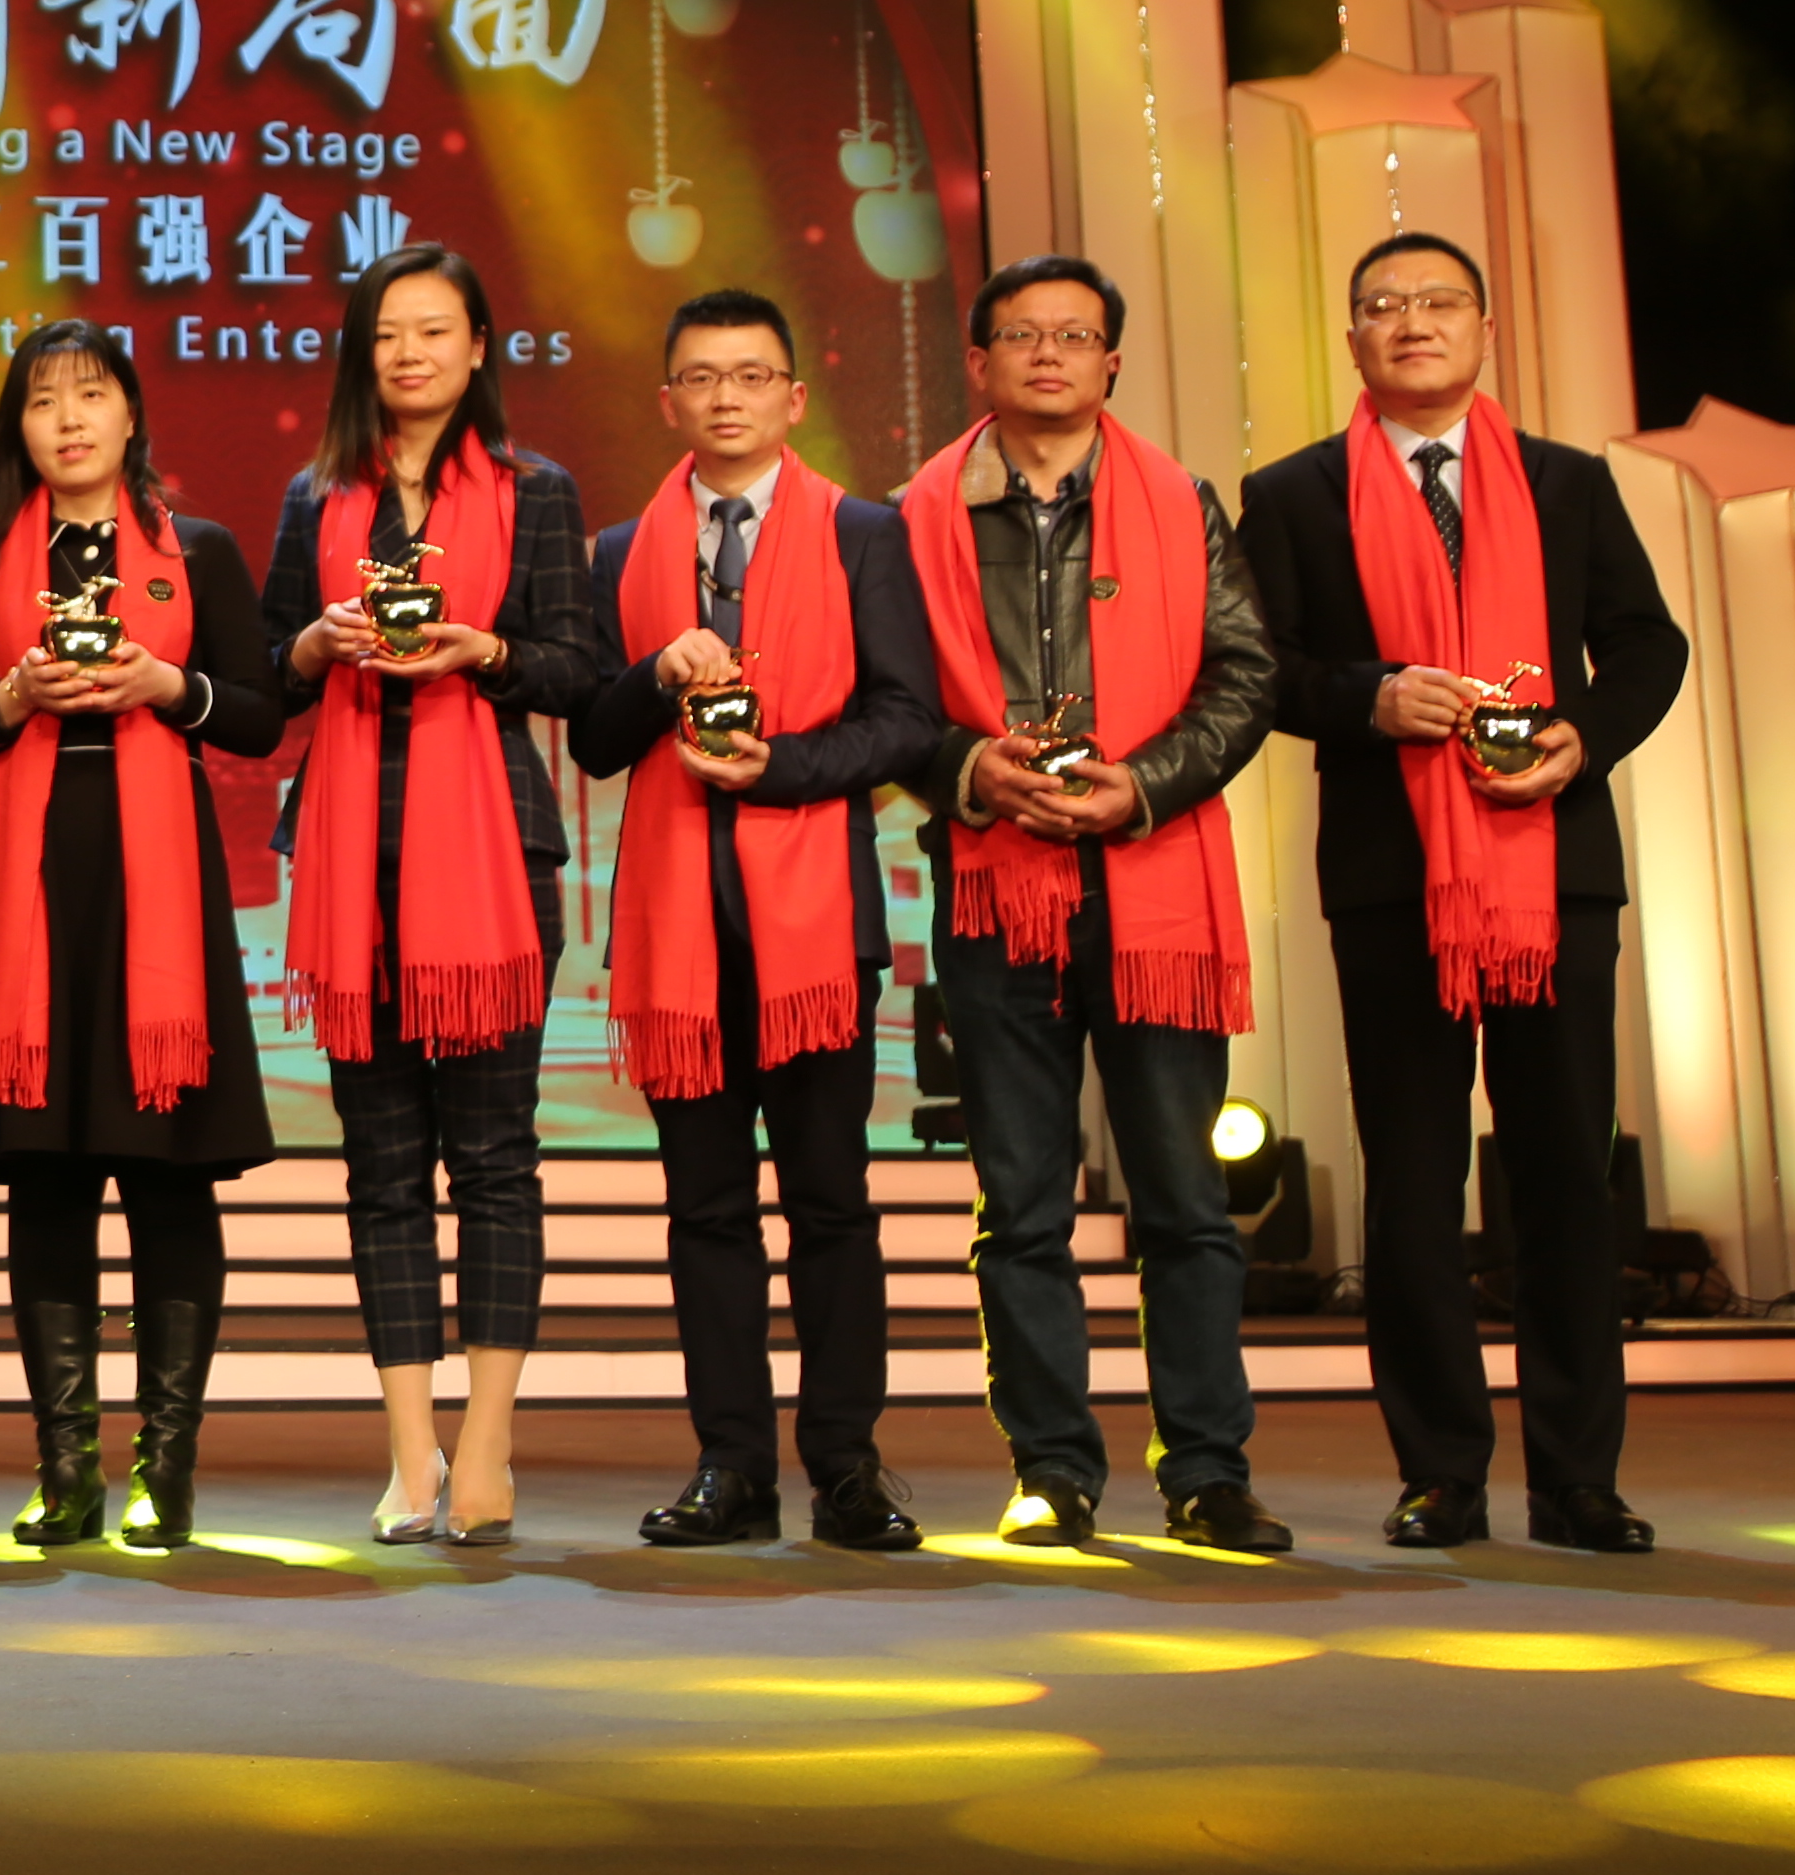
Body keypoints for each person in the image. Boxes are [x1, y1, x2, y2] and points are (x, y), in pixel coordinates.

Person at [1233, 232, 1690, 1554]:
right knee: (1415, 1185)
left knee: (1567, 1178)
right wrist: (1367, 698)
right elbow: (1256, 669)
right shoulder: (1295, 493)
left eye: (1440, 302)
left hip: (1554, 869)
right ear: (1354, 341)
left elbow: (1648, 644)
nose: (1413, 322)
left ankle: (1578, 1480)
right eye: (1385, 306)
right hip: (1394, 878)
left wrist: (1582, 740)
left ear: (1485, 329)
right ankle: (1440, 1472)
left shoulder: (1566, 482)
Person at [901, 257, 1289, 1555]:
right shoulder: (913, 517)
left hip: (1151, 881)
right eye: (1023, 335)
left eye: (1075, 335)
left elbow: (1246, 673)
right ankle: (1052, 1470)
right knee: (1021, 1209)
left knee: (1185, 1204)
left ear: (1112, 361)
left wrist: (1146, 786)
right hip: (996, 894)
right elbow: (883, 698)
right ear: (980, 362)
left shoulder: (1184, 502)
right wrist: (969, 767)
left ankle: (1209, 1473)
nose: (1050, 354)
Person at [580, 287, 945, 1553]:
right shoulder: (621, 553)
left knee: (832, 1203)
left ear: (793, 397)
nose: (725, 396)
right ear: (667, 401)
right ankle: (730, 1467)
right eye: (701, 377)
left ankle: (847, 1466)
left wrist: (779, 768)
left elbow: (909, 721)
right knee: (706, 1213)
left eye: (750, 376)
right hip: (677, 927)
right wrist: (654, 673)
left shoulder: (863, 533)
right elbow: (594, 738)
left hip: (816, 925)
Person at [259, 244, 611, 1547]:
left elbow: (579, 670)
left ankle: (487, 1445)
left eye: (432, 330)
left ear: (477, 349)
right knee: (383, 1169)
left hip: (495, 856)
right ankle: (411, 1454)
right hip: (352, 855)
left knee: (496, 1159)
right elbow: (269, 672)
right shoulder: (318, 496)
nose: (408, 354)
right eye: (386, 334)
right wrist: (312, 644)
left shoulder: (537, 491)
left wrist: (488, 650)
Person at [0, 318, 284, 1549]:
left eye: (91, 395)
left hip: (159, 893)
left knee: (168, 1177)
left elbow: (258, 715)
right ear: (18, 428)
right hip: (29, 890)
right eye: (43, 400)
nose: (69, 419)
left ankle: (165, 1471)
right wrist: (8, 699)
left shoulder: (198, 551)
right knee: (48, 1180)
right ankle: (66, 1470)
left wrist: (166, 687)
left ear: (131, 415)